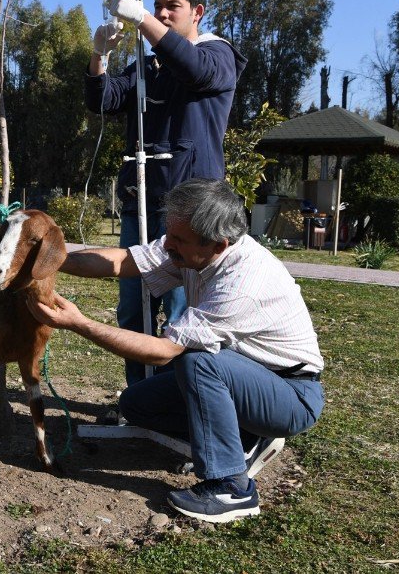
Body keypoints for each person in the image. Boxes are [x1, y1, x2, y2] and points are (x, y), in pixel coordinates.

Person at [26, 179, 324, 523]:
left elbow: (163, 351)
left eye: (178, 239)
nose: (167, 244)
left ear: (218, 244)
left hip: (291, 396)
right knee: (137, 405)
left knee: (198, 362)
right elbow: (123, 261)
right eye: (170, 234)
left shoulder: (242, 283)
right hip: (248, 379)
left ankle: (232, 488)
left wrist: (80, 323)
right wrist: (50, 259)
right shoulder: (192, 252)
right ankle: (242, 436)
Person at [86, 0, 247, 388]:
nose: (162, 13)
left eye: (171, 6)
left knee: (181, 315)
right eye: (156, 6)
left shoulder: (217, 55)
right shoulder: (149, 65)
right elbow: (102, 99)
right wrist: (99, 55)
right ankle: (139, 399)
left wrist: (141, 19)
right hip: (141, 202)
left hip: (191, 212)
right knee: (131, 310)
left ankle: (179, 402)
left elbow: (192, 68)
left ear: (197, 11)